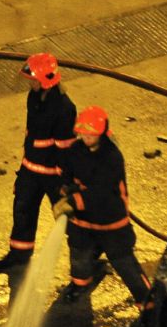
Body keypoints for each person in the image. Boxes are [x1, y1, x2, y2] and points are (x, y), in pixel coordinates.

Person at [56, 106, 154, 307]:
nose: (86, 138)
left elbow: (102, 191)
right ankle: (80, 284)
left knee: (123, 261)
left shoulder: (112, 157)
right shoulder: (76, 150)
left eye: (90, 135)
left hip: (110, 220)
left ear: (102, 134)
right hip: (84, 220)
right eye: (82, 133)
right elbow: (66, 172)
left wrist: (74, 201)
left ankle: (147, 302)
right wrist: (65, 191)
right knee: (79, 252)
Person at [0, 52, 77, 273]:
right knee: (22, 212)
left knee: (70, 219)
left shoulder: (64, 108)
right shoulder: (34, 97)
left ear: (46, 79)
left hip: (53, 174)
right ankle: (19, 255)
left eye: (33, 80)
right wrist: (24, 169)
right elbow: (32, 137)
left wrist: (67, 183)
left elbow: (66, 149)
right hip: (31, 169)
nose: (29, 83)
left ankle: (87, 262)